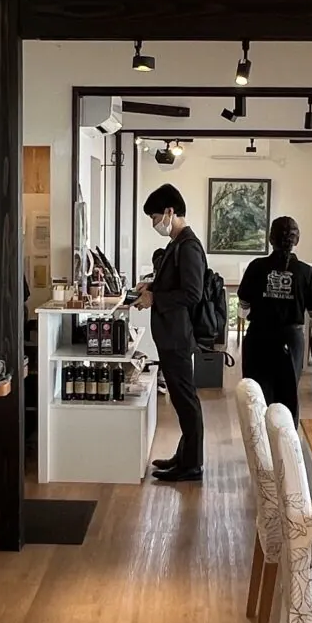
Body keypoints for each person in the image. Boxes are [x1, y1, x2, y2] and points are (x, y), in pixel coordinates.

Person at [139, 184, 210, 482]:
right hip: (171, 334)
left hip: (178, 336)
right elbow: (174, 282)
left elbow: (192, 293)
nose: (155, 224)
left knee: (185, 400)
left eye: (155, 217)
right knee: (182, 400)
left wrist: (155, 298)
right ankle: (184, 455)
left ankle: (192, 464)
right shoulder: (177, 243)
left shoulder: (188, 246)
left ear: (170, 212)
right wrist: (150, 287)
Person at [236, 215, 312, 416]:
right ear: (296, 240)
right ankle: (285, 435)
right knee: (288, 397)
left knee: (256, 397)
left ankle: (259, 435)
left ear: (270, 239)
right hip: (290, 341)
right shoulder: (306, 272)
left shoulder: (256, 266)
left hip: (258, 338)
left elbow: (244, 304)